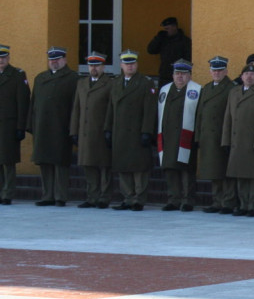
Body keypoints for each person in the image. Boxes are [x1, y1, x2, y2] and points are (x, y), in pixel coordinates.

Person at [106, 50, 158, 211]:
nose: (130, 66)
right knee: (123, 166)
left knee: (139, 167)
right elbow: (111, 108)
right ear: (121, 65)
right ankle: (127, 197)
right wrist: (107, 128)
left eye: (133, 63)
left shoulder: (145, 83)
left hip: (136, 130)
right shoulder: (115, 83)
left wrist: (147, 132)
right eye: (127, 63)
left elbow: (150, 110)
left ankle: (138, 199)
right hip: (120, 131)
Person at [28, 47, 78, 206]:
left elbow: (75, 106)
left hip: (61, 126)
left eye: (57, 59)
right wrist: (30, 124)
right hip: (42, 125)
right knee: (44, 161)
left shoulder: (73, 78)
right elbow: (33, 103)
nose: (54, 62)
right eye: (51, 59)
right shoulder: (40, 78)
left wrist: (73, 128)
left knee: (60, 162)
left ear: (65, 59)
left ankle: (60, 196)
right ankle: (47, 195)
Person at [222, 63, 254, 216]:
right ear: (241, 76)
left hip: (252, 141)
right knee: (240, 174)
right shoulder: (234, 92)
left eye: (253, 75)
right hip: (237, 141)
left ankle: (253, 206)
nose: (249, 77)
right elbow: (228, 118)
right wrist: (226, 141)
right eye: (246, 74)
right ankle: (243, 204)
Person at [70, 51, 115, 208]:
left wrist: (109, 130)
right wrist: (73, 131)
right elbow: (77, 109)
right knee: (88, 165)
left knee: (104, 166)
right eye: (91, 65)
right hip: (85, 132)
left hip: (101, 130)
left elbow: (112, 109)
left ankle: (104, 197)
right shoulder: (81, 83)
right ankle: (92, 196)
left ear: (103, 66)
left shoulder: (110, 83)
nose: (93, 68)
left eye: (97, 65)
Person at [156, 60, 201, 211]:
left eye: (183, 73)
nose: (180, 77)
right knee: (170, 168)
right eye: (177, 73)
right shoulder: (165, 90)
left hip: (187, 136)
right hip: (168, 136)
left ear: (189, 75)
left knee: (186, 169)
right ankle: (173, 199)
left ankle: (188, 200)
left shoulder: (197, 90)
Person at [194, 56, 236, 214]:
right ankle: (217, 201)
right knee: (213, 171)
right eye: (214, 70)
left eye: (220, 70)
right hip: (208, 137)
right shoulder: (206, 88)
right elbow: (200, 114)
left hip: (222, 136)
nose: (217, 73)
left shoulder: (231, 88)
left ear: (226, 71)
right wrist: (198, 136)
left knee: (225, 171)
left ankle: (228, 201)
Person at [0, 44, 30, 206]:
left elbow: (23, 102)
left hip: (8, 125)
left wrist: (21, 126)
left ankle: (7, 193)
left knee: (8, 161)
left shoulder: (17, 75)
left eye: (3, 57)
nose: (0, 60)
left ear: (8, 58)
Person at [147, 17, 192, 86]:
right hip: (165, 75)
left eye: (167, 29)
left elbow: (189, 59)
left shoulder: (184, 41)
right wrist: (157, 38)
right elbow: (151, 50)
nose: (166, 31)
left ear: (174, 27)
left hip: (179, 75)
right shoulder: (163, 39)